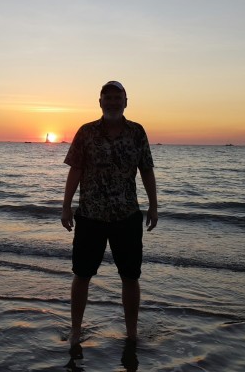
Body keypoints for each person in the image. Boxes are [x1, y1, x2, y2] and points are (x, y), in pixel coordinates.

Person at [61, 81, 158, 346]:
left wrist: (154, 205)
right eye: (109, 98)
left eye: (118, 98)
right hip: (90, 215)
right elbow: (76, 169)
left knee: (130, 276)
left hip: (126, 216)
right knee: (82, 274)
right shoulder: (86, 132)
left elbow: (146, 169)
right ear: (100, 101)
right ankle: (76, 330)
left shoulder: (137, 132)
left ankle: (132, 333)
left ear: (126, 102)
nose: (113, 102)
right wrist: (66, 205)